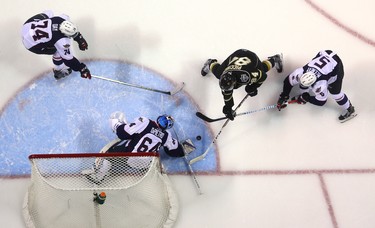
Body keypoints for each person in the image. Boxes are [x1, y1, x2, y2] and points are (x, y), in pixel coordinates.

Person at [83, 112, 185, 184]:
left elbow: (123, 133)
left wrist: (116, 124)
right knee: (142, 149)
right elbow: (175, 150)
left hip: (129, 157)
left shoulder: (146, 122)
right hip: (145, 165)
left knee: (112, 151)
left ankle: (99, 176)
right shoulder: (167, 135)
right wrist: (182, 151)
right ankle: (115, 167)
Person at [201, 49, 283, 120]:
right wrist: (228, 107)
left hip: (250, 57)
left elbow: (263, 76)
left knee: (261, 69)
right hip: (236, 56)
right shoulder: (224, 76)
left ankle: (274, 60)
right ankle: (210, 63)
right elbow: (227, 93)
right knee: (219, 73)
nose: (229, 91)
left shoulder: (246, 76)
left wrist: (253, 86)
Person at [276, 50, 356, 122]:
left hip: (336, 65)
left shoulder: (320, 84)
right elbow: (288, 81)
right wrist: (284, 95)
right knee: (304, 87)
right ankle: (303, 95)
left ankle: (349, 109)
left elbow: (321, 101)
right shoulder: (300, 72)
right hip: (323, 55)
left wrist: (307, 98)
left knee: (335, 93)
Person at [22, 10, 91, 80]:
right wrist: (81, 68)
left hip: (26, 27)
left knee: (49, 13)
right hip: (30, 44)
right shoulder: (61, 42)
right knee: (57, 51)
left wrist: (79, 38)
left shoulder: (60, 19)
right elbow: (69, 60)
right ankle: (59, 70)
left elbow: (67, 21)